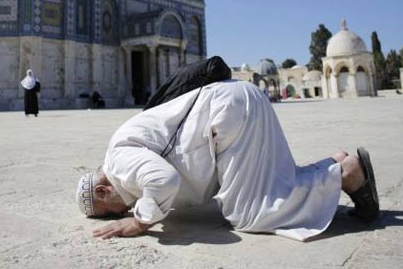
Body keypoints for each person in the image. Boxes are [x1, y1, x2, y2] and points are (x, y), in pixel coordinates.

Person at [76, 80, 379, 241]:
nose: (121, 212)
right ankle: (335, 163)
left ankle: (346, 174)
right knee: (273, 181)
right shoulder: (120, 154)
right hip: (235, 104)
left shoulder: (117, 162)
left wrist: (139, 221)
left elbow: (163, 180)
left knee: (248, 214)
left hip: (229, 117)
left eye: (111, 212)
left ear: (103, 191)